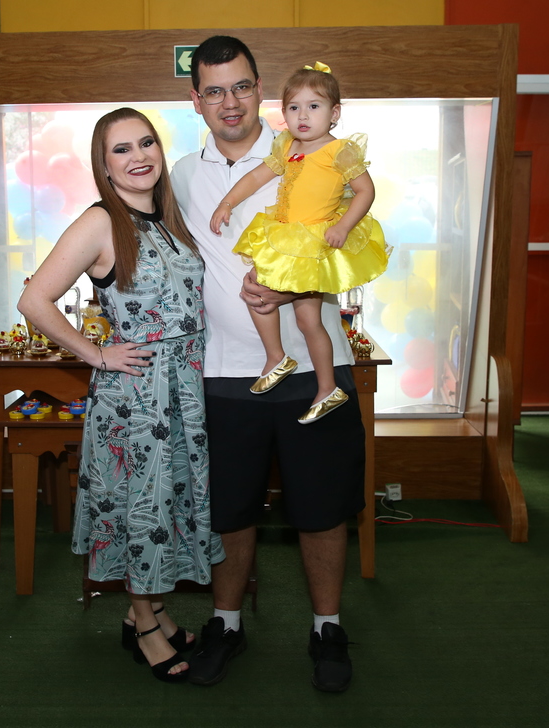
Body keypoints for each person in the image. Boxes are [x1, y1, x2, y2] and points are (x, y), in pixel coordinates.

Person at [170, 36, 365, 693]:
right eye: (214, 90)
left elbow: (353, 239)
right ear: (196, 100)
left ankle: (327, 627)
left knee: (322, 506)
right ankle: (225, 623)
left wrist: (289, 289)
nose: (230, 101)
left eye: (242, 86)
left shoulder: (307, 151)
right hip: (222, 373)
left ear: (261, 91)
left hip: (313, 367)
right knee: (229, 508)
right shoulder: (181, 175)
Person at [17, 107, 222, 684]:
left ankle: (148, 610)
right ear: (104, 166)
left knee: (169, 502)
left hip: (182, 393)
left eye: (146, 143)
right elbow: (33, 301)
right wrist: (98, 354)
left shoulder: (169, 219)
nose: (138, 157)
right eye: (122, 149)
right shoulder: (101, 221)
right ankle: (144, 624)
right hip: (137, 397)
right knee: (143, 505)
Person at [209, 63, 389, 424]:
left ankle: (318, 381)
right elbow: (256, 176)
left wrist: (343, 225)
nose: (302, 116)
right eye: (294, 108)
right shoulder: (287, 146)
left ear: (334, 113)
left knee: (292, 310)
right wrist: (227, 202)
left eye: (314, 106)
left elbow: (366, 192)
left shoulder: (339, 151)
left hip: (314, 240)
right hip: (286, 236)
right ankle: (286, 363)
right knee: (274, 301)